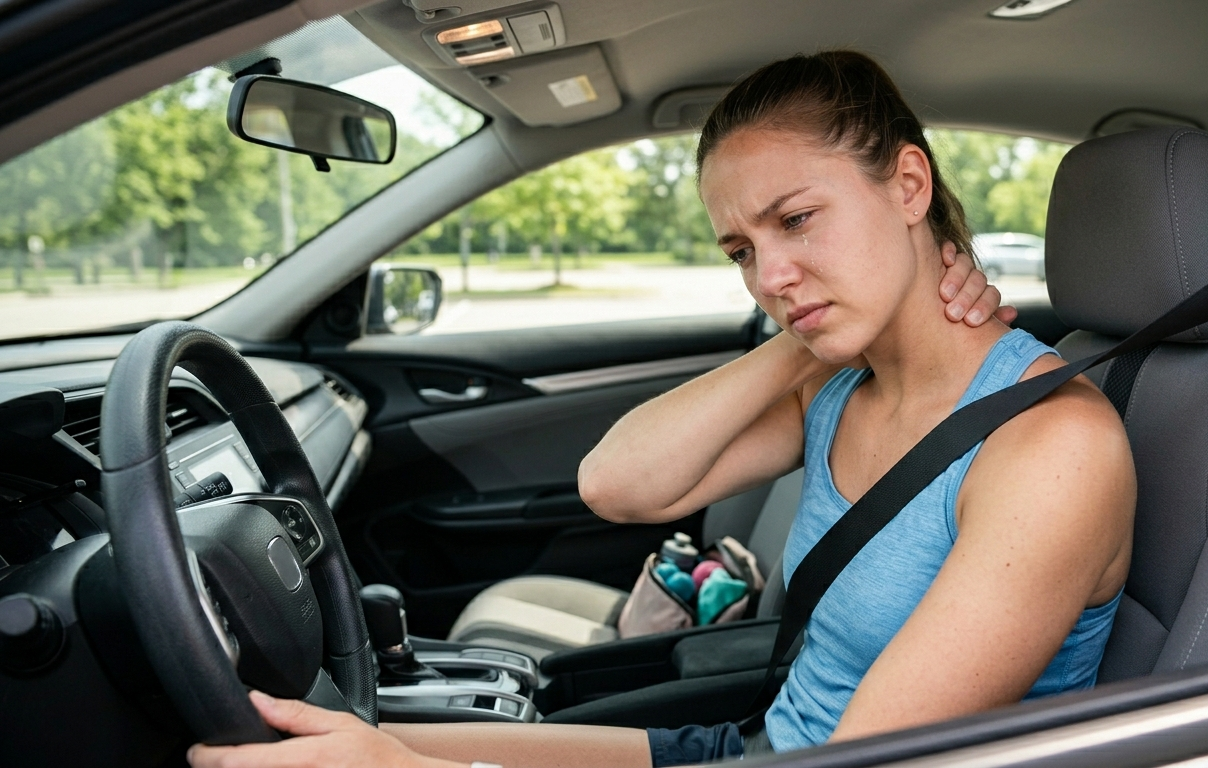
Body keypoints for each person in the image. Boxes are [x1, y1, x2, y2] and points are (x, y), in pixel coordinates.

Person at [190, 50, 1134, 768]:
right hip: (754, 744)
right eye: (739, 250)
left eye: (796, 219)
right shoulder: (838, 385)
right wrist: (802, 338)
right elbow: (617, 486)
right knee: (365, 732)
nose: (771, 275)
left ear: (909, 186)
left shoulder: (1052, 448)